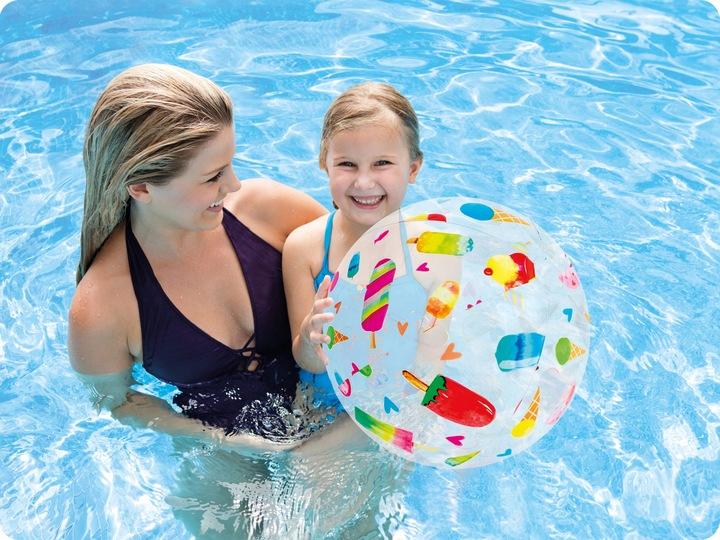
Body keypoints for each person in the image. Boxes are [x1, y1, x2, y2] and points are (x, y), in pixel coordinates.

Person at [67, 64, 327, 451]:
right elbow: (117, 402)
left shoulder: (269, 211)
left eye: (230, 163)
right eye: (212, 176)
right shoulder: (102, 306)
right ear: (141, 187)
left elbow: (368, 263)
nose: (234, 185)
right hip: (222, 455)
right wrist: (227, 440)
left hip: (332, 409)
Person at [282, 82, 423, 415]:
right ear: (324, 164)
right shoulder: (306, 248)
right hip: (319, 406)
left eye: (382, 163)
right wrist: (310, 337)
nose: (364, 182)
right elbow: (310, 364)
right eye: (347, 164)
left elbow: (434, 354)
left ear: (413, 169)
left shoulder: (431, 251)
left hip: (394, 407)